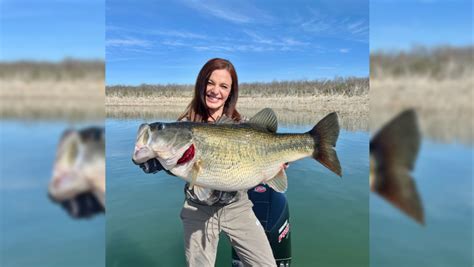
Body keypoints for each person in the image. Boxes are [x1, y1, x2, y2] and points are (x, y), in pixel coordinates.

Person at [177, 58, 276, 266]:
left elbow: (263, 158)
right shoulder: (184, 127)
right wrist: (156, 160)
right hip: (198, 209)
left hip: (237, 206)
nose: (215, 91)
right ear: (201, 84)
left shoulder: (243, 125)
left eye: (224, 86)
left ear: (231, 92)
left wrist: (277, 164)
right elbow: (176, 161)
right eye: (210, 83)